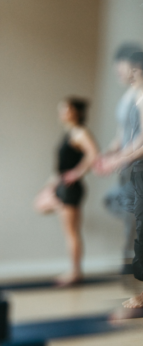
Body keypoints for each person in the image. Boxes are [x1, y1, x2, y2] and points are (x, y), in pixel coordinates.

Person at [95, 52, 143, 308]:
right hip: (137, 172)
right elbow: (130, 138)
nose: (129, 76)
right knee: (138, 222)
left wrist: (125, 159)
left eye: (135, 72)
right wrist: (112, 156)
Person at [34, 98, 98, 285]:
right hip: (62, 186)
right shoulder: (68, 133)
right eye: (60, 109)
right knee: (40, 205)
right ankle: (74, 271)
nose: (61, 113)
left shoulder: (80, 132)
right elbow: (60, 168)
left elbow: (93, 153)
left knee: (71, 232)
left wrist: (77, 173)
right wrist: (50, 186)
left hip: (71, 189)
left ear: (75, 112)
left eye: (65, 109)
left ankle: (75, 272)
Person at [102, 43, 142, 274]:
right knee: (128, 214)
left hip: (138, 166)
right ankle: (129, 260)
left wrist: (120, 160)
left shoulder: (142, 96)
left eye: (122, 63)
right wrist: (107, 154)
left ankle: (132, 262)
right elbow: (121, 135)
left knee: (132, 216)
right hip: (125, 167)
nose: (117, 69)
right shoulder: (125, 97)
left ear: (136, 65)